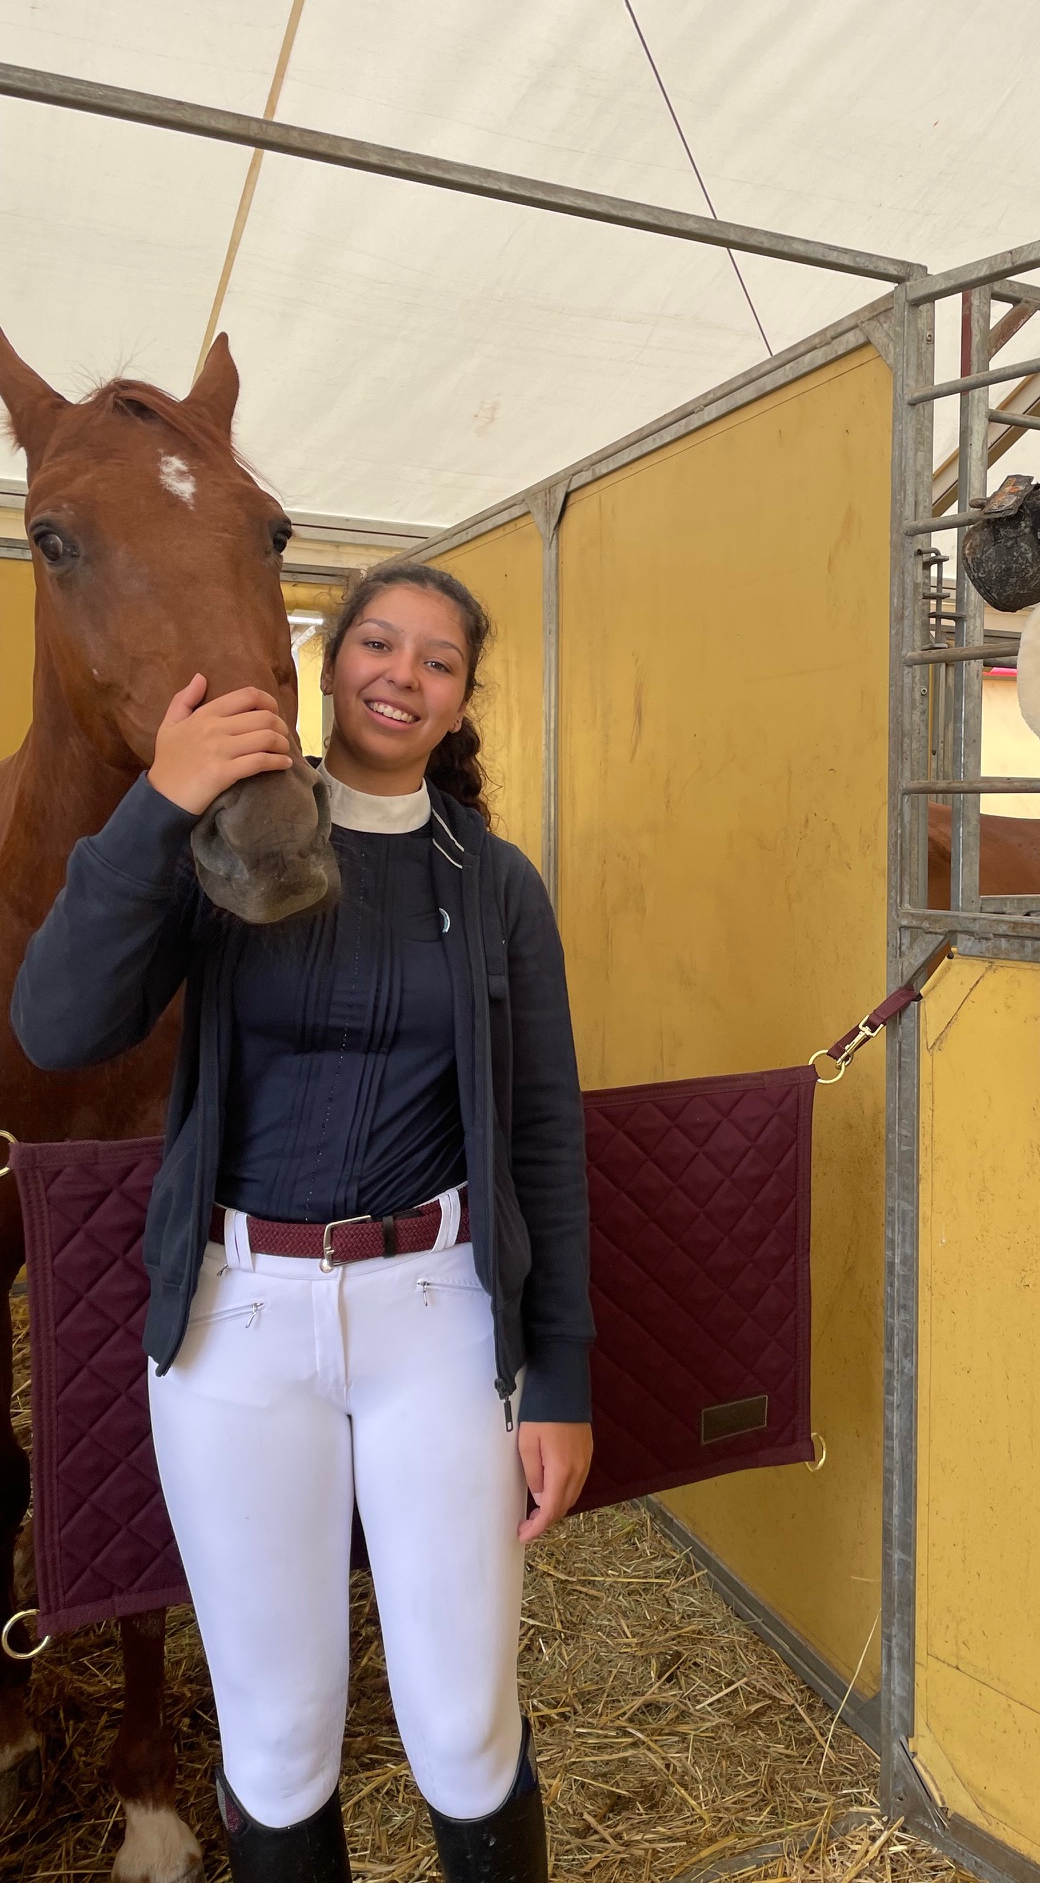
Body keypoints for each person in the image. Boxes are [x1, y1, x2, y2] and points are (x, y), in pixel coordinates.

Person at [12, 561, 594, 1883]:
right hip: (239, 1322)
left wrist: (558, 1376)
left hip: (437, 1313)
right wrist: (162, 799)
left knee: (463, 1725)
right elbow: (53, 1023)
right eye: (377, 644)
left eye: (437, 661)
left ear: (459, 705)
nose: (401, 674)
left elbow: (545, 1140)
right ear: (327, 669)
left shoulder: (497, 888)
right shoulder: (224, 845)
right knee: (277, 1741)